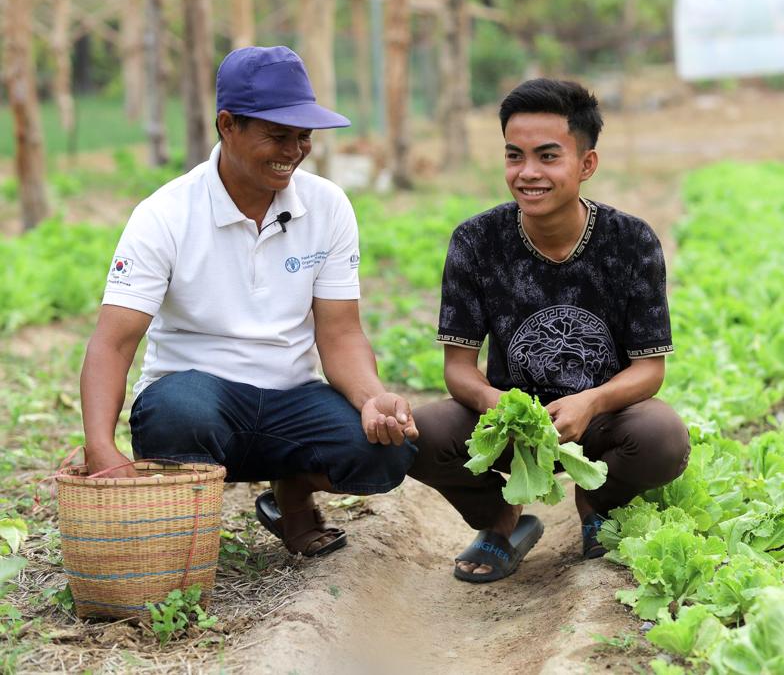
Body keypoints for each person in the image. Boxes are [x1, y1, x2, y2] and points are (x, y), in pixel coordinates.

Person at [80, 46, 418, 557]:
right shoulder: (165, 214)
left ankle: (292, 496)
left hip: (290, 398)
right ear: (227, 124)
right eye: (277, 135)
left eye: (303, 136)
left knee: (385, 449)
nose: (294, 149)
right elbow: (113, 342)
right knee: (180, 412)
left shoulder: (327, 205)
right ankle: (185, 537)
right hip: (199, 397)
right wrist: (100, 447)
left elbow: (341, 333)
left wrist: (372, 399)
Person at [409, 78, 690, 583]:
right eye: (514, 156)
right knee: (418, 435)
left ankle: (598, 501)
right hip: (507, 428)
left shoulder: (630, 242)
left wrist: (592, 402)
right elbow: (459, 370)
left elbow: (650, 368)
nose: (528, 173)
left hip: (600, 423)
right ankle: (500, 519)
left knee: (661, 437)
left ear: (586, 165)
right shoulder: (476, 242)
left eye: (547, 156)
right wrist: (501, 407)